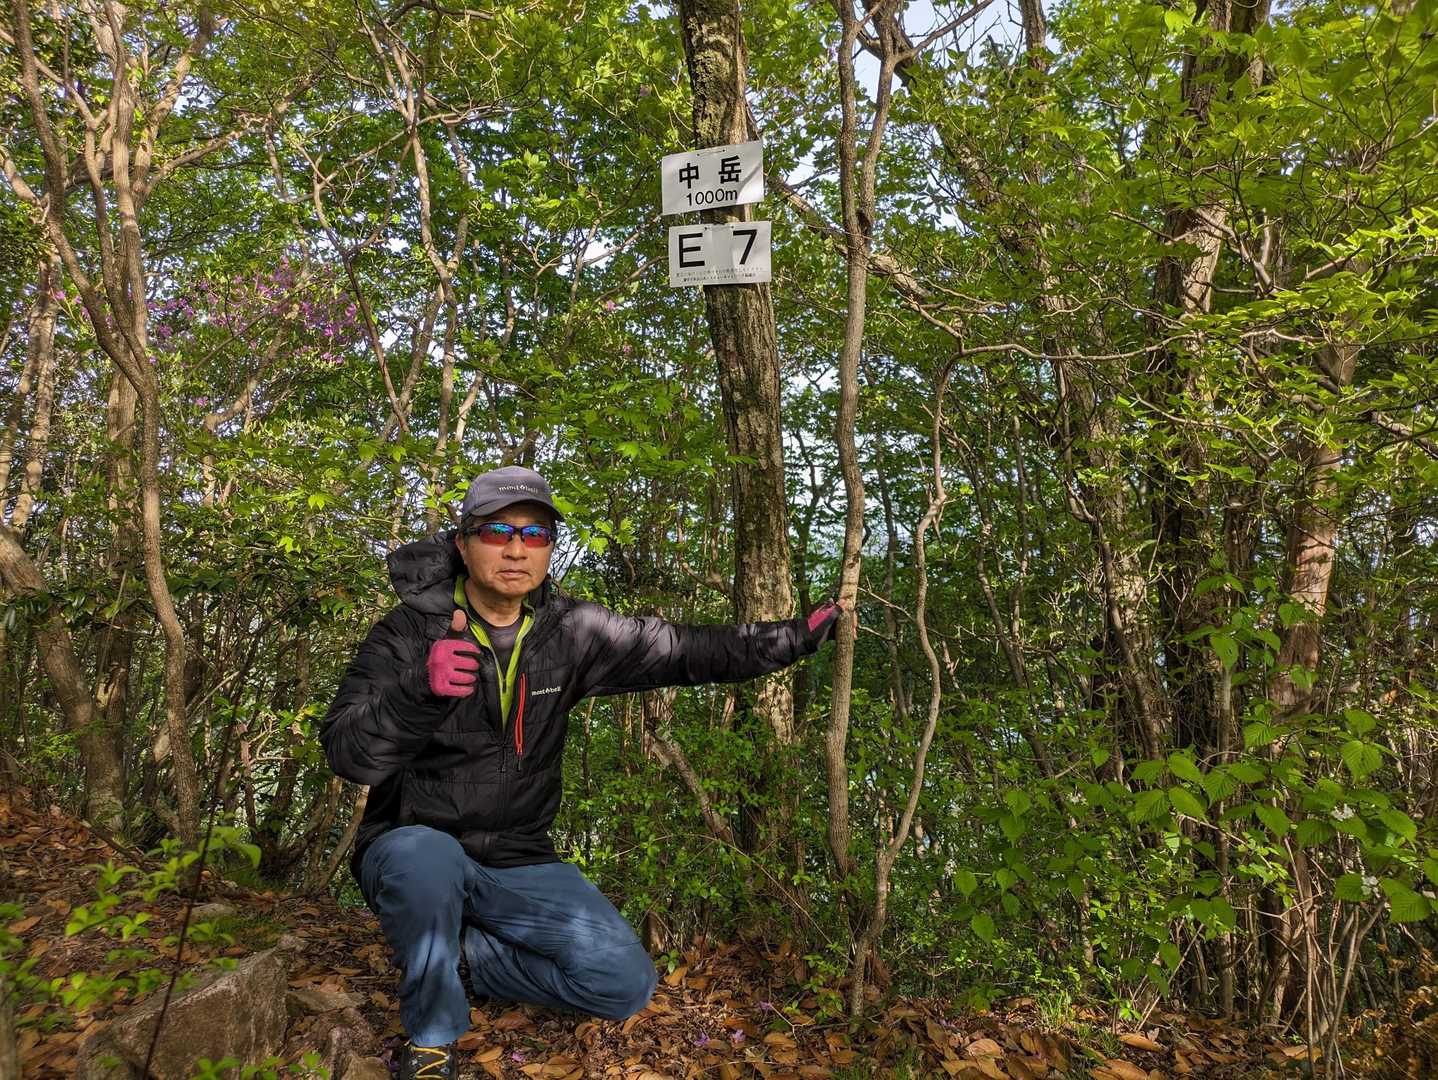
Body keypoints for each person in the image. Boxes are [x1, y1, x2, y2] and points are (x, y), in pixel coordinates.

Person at [320, 465, 842, 1080]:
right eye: (497, 532)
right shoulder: (406, 632)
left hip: (518, 856)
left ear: (548, 549)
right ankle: (433, 1040)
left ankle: (460, 954)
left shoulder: (571, 632)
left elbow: (682, 649)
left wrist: (790, 639)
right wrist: (418, 690)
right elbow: (348, 754)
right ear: (462, 544)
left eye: (535, 534)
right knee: (426, 860)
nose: (516, 549)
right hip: (414, 844)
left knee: (622, 982)